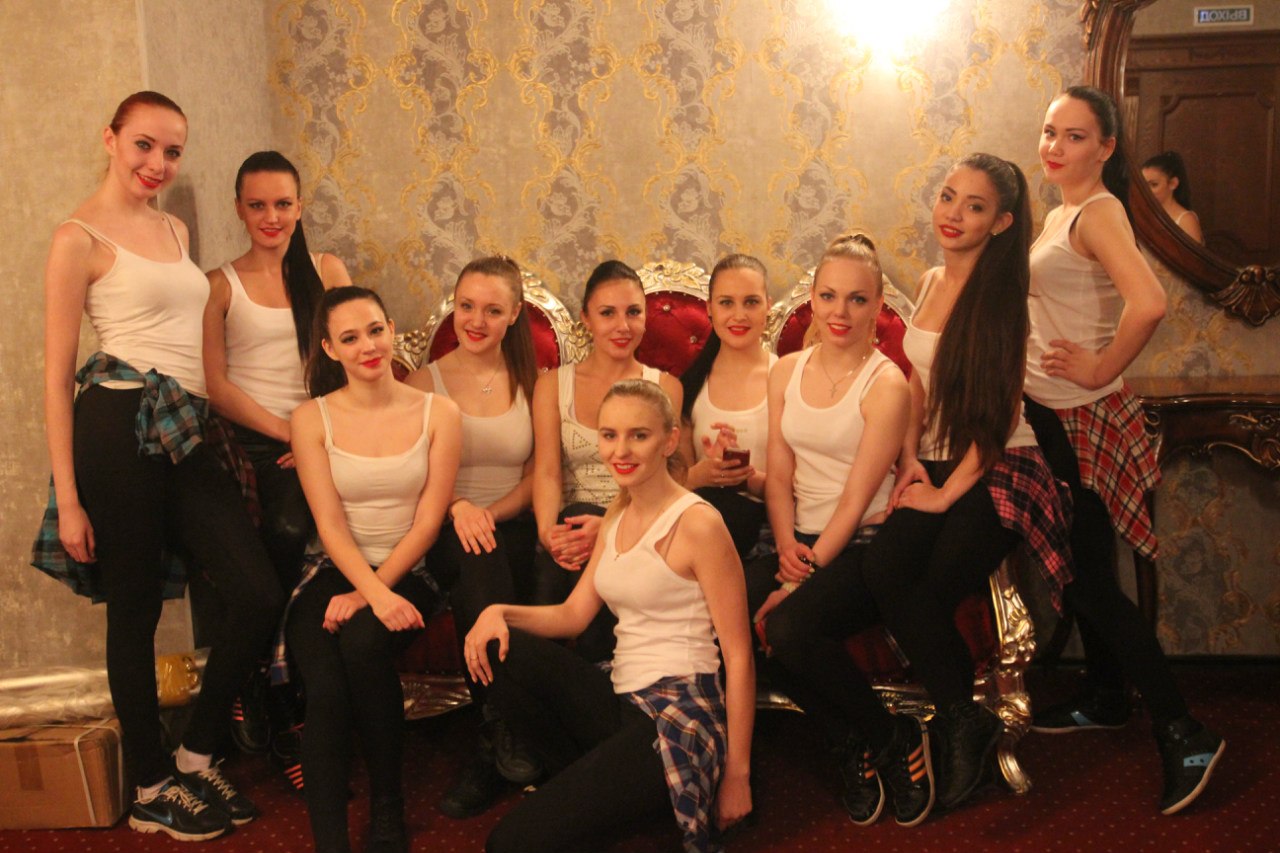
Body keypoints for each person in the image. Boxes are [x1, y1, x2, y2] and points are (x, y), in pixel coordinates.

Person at [35, 91, 280, 840]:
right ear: (110, 139)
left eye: (172, 152)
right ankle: (150, 785)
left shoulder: (174, 227)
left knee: (256, 592)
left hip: (187, 427)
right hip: (117, 427)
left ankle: (194, 754)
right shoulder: (76, 238)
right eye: (144, 145)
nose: (158, 163)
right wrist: (70, 499)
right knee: (135, 610)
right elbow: (56, 377)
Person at [1026, 86, 1224, 815]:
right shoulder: (1064, 210)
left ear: (1107, 147)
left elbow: (1150, 302)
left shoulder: (1101, 211)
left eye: (1075, 136)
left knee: (1092, 586)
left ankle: (1185, 730)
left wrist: (1101, 366)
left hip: (1078, 417)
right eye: (1050, 131)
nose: (1055, 146)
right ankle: (1108, 693)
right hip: (1051, 414)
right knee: (1087, 571)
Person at [861, 154, 1072, 812]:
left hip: (999, 462)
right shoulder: (931, 281)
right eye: (948, 197)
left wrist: (945, 494)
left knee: (933, 586)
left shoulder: (1003, 300)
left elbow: (999, 417)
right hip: (938, 457)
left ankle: (959, 721)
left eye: (974, 206)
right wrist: (909, 458)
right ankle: (966, 718)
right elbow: (917, 380)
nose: (952, 214)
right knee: (884, 569)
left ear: (1001, 222)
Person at [465, 379, 754, 853]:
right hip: (621, 694)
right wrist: (496, 612)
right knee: (501, 648)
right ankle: (588, 791)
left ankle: (631, 794)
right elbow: (572, 616)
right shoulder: (617, 512)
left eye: (639, 435)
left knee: (508, 843)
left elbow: (739, 656)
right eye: (609, 435)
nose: (620, 450)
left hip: (677, 713)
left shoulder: (698, 524)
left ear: (669, 441)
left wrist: (737, 776)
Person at [748, 233, 937, 827]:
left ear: (878, 305)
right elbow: (780, 475)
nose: (840, 312)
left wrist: (799, 575)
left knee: (788, 626)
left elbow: (856, 500)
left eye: (857, 299)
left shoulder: (887, 385)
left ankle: (892, 736)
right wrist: (786, 546)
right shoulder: (785, 371)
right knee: (727, 617)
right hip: (792, 536)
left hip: (861, 545)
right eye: (829, 296)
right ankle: (853, 737)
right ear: (812, 296)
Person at [286, 286, 462, 853]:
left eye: (375, 330)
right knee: (326, 685)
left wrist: (373, 595)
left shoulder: (439, 412)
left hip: (409, 569)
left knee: (363, 646)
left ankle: (388, 808)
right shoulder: (310, 418)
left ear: (391, 329)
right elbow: (330, 527)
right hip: (331, 568)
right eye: (350, 338)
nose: (368, 346)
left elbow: (428, 524)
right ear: (329, 349)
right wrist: (367, 591)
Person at [203, 150, 352, 785]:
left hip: (323, 431)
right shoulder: (219, 284)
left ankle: (277, 685)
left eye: (283, 204)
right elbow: (216, 385)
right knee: (287, 530)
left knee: (323, 532)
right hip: (257, 442)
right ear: (239, 209)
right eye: (258, 205)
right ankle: (270, 686)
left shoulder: (326, 269)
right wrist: (290, 431)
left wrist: (323, 431)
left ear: (300, 206)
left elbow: (352, 357)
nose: (271, 216)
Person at [404, 256, 542, 816]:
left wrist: (489, 513)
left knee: (488, 558)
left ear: (514, 315)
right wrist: (459, 508)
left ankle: (493, 737)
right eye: (466, 307)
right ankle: (506, 728)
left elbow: (538, 477)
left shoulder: (533, 383)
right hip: (444, 526)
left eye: (492, 310)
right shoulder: (423, 383)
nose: (476, 321)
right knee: (476, 557)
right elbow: (409, 476)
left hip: (513, 523)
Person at [530, 260, 683, 662]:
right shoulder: (552, 385)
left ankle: (579, 666)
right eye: (608, 313)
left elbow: (671, 479)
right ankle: (579, 667)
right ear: (586, 318)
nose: (623, 326)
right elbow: (547, 472)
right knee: (568, 532)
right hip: (569, 529)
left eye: (633, 312)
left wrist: (612, 528)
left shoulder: (665, 387)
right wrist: (548, 533)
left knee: (586, 531)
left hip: (637, 524)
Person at [678, 254, 775, 560]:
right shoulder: (688, 385)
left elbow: (800, 488)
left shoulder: (786, 378)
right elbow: (674, 484)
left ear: (768, 306)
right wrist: (702, 474)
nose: (739, 315)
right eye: (726, 303)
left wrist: (745, 477)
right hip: (696, 527)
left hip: (766, 530)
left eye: (751, 302)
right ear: (709, 308)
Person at [1141, 151, 1203, 243]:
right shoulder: (1144, 214)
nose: (1146, 190)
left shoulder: (1186, 220)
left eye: (1154, 185)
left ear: (1173, 183)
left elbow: (1191, 253)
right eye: (1144, 185)